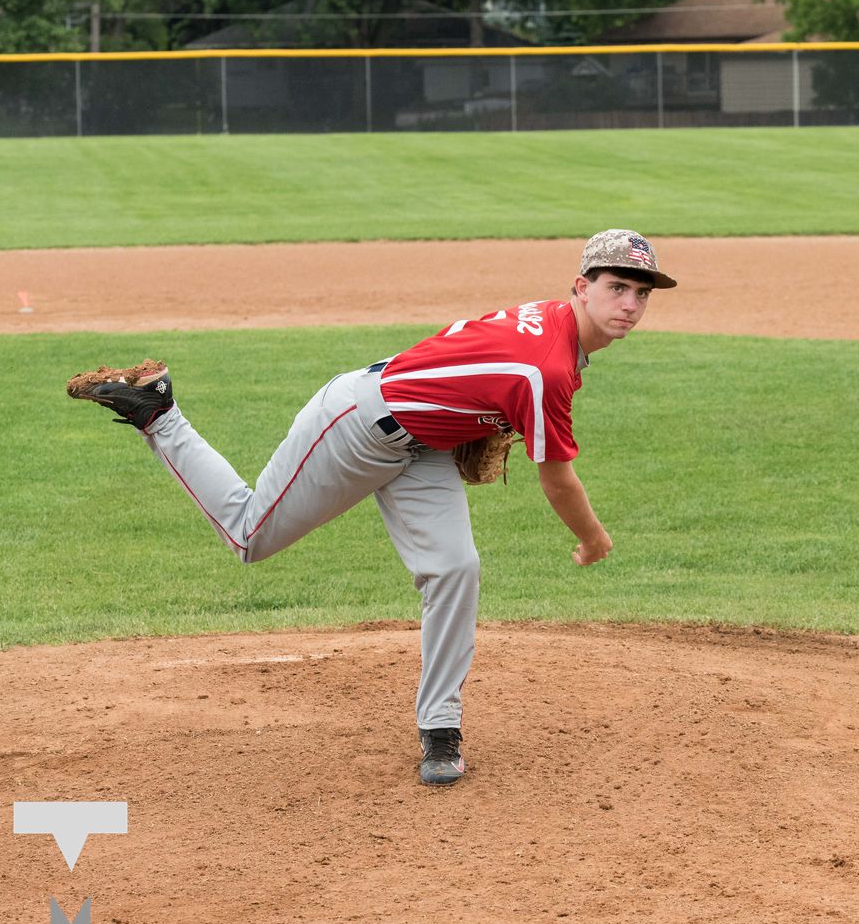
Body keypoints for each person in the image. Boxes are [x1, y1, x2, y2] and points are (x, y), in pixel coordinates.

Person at [66, 229, 677, 786]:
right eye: (616, 287)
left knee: (455, 568)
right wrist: (593, 539)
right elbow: (558, 480)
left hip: (425, 446)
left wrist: (468, 417)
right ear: (581, 287)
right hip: (356, 426)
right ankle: (160, 413)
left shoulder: (551, 324)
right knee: (250, 536)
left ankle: (440, 728)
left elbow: (463, 356)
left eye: (641, 293)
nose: (629, 303)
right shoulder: (548, 367)